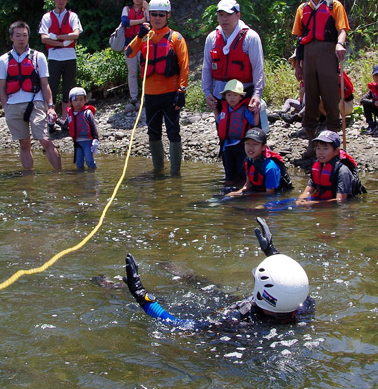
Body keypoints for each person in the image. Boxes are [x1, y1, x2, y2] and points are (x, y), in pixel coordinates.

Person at [122, 219, 312, 329]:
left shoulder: (235, 324)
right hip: (242, 307)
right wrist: (271, 252)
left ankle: (117, 289)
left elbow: (177, 324)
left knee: (177, 302)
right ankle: (183, 275)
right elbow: (289, 282)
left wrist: (140, 294)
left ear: (263, 293)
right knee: (208, 287)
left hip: (226, 323)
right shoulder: (303, 305)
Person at [126, 0, 190, 175]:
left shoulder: (175, 38)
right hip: (151, 95)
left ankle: (175, 173)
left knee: (173, 132)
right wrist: (139, 36)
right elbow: (129, 53)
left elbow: (184, 67)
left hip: (170, 93)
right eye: (154, 14)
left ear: (167, 16)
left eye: (161, 15)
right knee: (153, 133)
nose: (157, 18)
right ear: (149, 15)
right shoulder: (144, 36)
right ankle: (158, 171)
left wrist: (181, 91)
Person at [290, 0, 349, 150]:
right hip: (308, 55)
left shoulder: (334, 6)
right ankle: (311, 140)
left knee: (331, 97)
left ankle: (333, 140)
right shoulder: (302, 9)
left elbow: (342, 29)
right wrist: (297, 64)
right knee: (311, 98)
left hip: (327, 52)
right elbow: (299, 39)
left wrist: (340, 44)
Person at [0, 20, 62, 172]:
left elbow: (45, 84)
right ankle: (28, 178)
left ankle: (59, 175)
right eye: (18, 35)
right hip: (13, 105)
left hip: (35, 103)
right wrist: (5, 107)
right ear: (11, 37)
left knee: (45, 140)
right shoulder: (3, 60)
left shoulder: (38, 57)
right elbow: (2, 87)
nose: (21, 38)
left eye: (24, 35)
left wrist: (50, 107)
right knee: (24, 143)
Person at [202, 0, 265, 120]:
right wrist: (207, 92)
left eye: (228, 15)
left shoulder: (250, 37)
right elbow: (207, 66)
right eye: (221, 15)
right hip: (220, 93)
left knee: (248, 134)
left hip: (245, 92)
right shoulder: (212, 38)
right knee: (224, 132)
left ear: (238, 15)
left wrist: (257, 94)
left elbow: (258, 67)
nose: (224, 19)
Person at [39, 0, 83, 120]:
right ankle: (51, 118)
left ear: (67, 0)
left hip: (70, 56)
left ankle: (65, 118)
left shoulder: (72, 16)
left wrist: (55, 38)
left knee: (68, 89)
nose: (61, 1)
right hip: (53, 57)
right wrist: (62, 42)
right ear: (54, 0)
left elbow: (75, 34)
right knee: (51, 87)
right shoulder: (47, 17)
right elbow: (44, 38)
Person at [297, 130, 365, 205]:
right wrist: (301, 199)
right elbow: (307, 191)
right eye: (318, 148)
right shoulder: (317, 167)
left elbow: (340, 199)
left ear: (336, 151)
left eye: (325, 148)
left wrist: (312, 203)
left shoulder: (342, 171)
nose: (320, 152)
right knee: (286, 205)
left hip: (337, 204)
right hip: (320, 200)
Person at [227, 128, 293, 196]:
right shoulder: (248, 160)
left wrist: (243, 195)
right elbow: (248, 185)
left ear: (264, 147)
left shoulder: (270, 167)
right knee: (225, 194)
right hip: (258, 192)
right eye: (247, 143)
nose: (250, 147)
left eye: (255, 144)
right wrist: (237, 193)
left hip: (275, 196)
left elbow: (270, 193)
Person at [215, 79, 257, 187]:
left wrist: (256, 112)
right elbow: (219, 121)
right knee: (229, 173)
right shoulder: (224, 110)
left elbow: (254, 123)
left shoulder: (244, 110)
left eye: (235, 95)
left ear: (241, 97)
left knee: (241, 171)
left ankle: (242, 189)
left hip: (240, 145)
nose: (232, 98)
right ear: (225, 97)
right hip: (226, 146)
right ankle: (228, 190)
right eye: (229, 95)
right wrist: (215, 109)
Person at [120, 0, 149, 106]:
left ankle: (146, 95)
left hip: (143, 44)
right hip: (129, 44)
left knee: (145, 70)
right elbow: (125, 22)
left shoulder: (146, 9)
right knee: (132, 72)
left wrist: (147, 8)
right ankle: (133, 97)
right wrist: (141, 21)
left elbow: (150, 21)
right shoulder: (126, 9)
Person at [62, 86, 99, 170]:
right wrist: (55, 120)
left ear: (85, 100)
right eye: (75, 100)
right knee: (79, 163)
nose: (78, 102)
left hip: (87, 141)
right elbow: (64, 124)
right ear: (70, 101)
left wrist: (95, 139)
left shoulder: (87, 113)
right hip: (77, 142)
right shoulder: (70, 114)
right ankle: (80, 179)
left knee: (89, 161)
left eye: (81, 99)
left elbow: (93, 126)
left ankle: (93, 175)